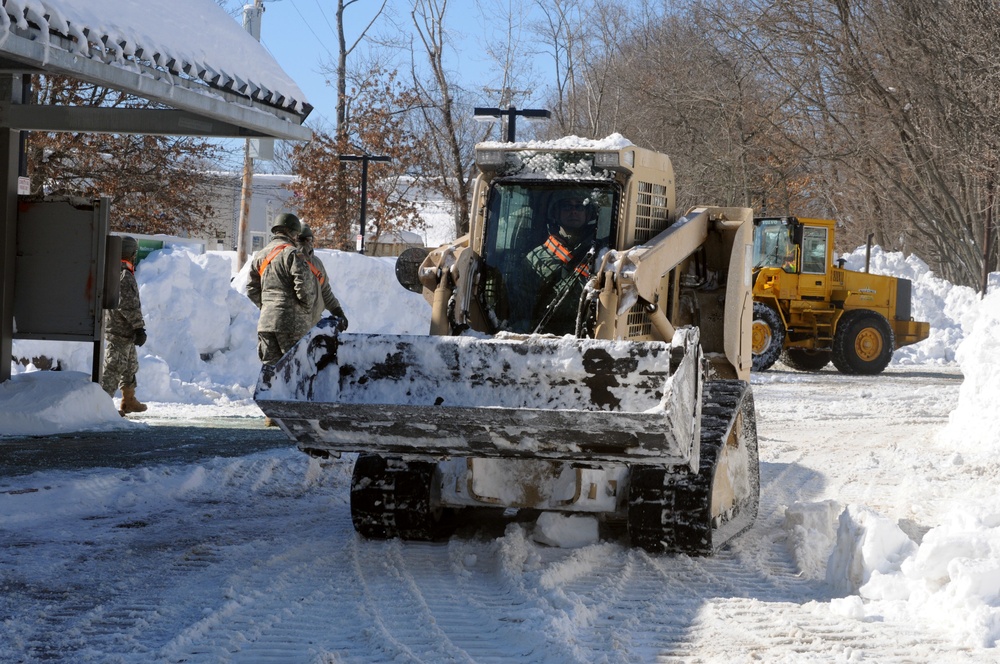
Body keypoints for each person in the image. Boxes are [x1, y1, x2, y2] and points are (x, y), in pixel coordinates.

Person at [516, 192, 599, 335]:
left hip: (589, 337)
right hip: (543, 336)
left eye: (580, 207)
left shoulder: (603, 255)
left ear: (588, 213)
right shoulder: (535, 258)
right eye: (566, 207)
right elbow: (521, 308)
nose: (573, 211)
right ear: (556, 213)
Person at [246, 212, 317, 366]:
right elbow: (304, 286)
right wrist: (305, 308)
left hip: (266, 323)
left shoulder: (260, 255)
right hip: (292, 324)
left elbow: (251, 288)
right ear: (293, 233)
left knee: (271, 373)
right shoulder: (293, 253)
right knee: (294, 371)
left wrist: (267, 307)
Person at [101, 235, 148, 416]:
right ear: (131, 253)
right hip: (119, 330)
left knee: (129, 366)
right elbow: (128, 305)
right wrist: (139, 327)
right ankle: (101, 406)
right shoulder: (123, 274)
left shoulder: (116, 270)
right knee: (113, 369)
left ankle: (128, 401)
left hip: (121, 330)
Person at [298, 224, 349, 331]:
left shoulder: (316, 263)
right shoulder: (290, 260)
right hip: (297, 324)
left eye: (307, 239)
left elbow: (325, 291)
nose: (305, 243)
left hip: (312, 323)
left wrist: (338, 312)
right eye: (301, 239)